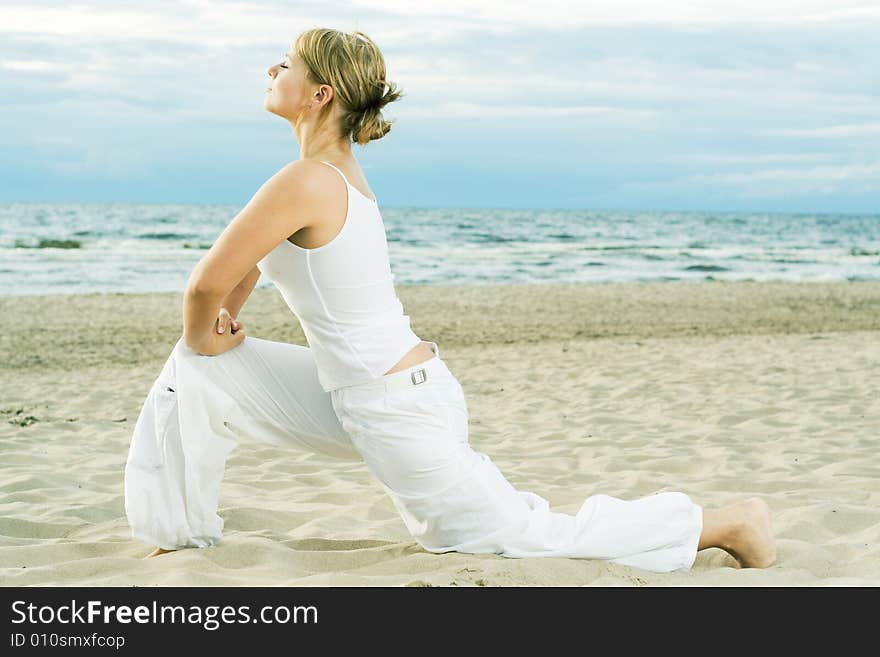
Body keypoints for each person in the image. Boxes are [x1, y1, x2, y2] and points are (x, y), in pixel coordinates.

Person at [124, 28, 776, 573]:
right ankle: (180, 531)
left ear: (320, 93)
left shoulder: (307, 180)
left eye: (287, 63)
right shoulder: (321, 176)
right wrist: (212, 333)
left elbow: (204, 285)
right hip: (357, 390)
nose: (272, 68)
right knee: (198, 369)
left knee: (519, 535)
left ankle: (724, 523)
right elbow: (240, 274)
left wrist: (205, 329)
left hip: (395, 403)